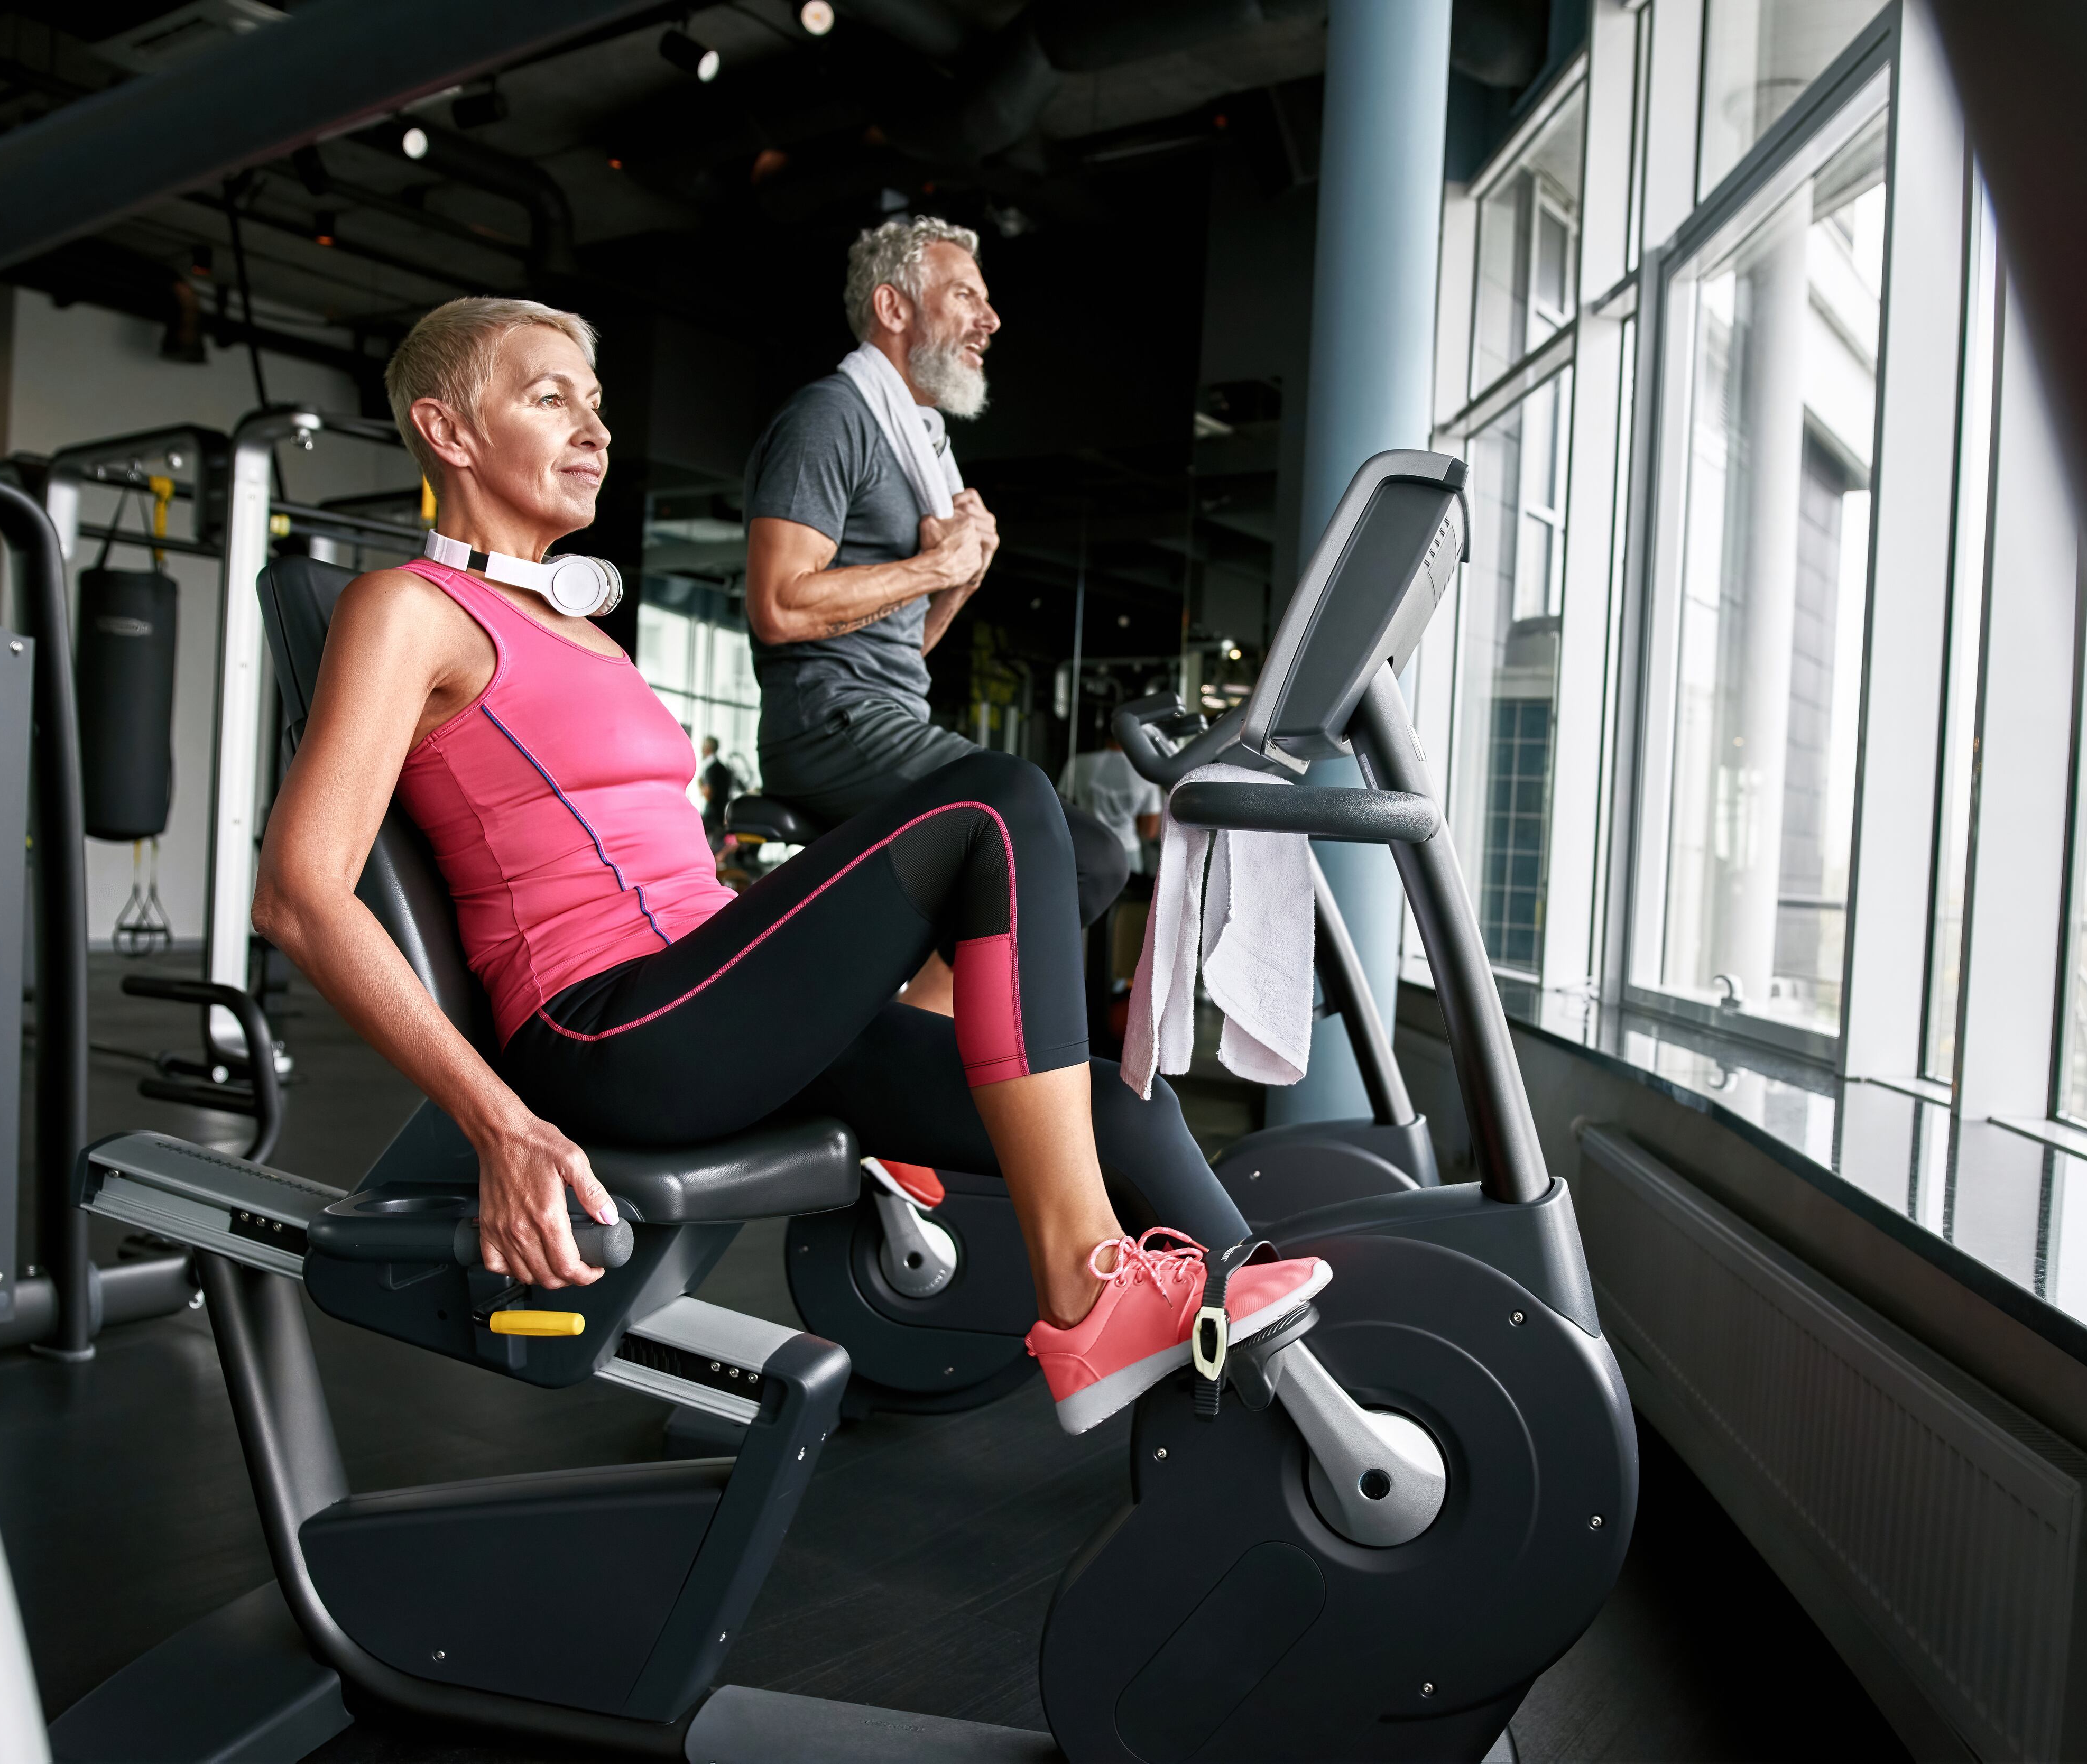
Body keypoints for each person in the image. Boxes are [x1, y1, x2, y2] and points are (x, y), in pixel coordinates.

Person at [247, 296, 1325, 1436]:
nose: (595, 430)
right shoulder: (408, 610)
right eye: (550, 397)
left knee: (1119, 1110)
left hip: (706, 993)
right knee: (998, 806)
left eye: (598, 403)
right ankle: (1084, 1287)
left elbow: (651, 859)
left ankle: (1294, 1387)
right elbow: (300, 893)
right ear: (449, 431)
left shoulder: (587, 635)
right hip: (611, 1032)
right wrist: (499, 1126)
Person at [742, 216, 1127, 1014]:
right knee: (1075, 846)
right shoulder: (831, 419)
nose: (990, 320)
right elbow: (779, 605)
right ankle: (902, 1051)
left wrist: (956, 586)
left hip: (879, 712)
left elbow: (899, 649)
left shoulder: (921, 448)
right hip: (829, 724)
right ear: (894, 308)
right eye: (964, 296)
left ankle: (890, 1033)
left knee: (1059, 848)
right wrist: (931, 565)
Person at [1059, 733, 1165, 880]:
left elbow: (1062, 808)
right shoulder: (1144, 772)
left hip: (1087, 848)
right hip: (1127, 852)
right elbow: (1149, 830)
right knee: (1129, 901)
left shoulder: (1079, 763)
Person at [696, 734, 734, 844]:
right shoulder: (724, 768)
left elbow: (708, 795)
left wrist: (700, 784)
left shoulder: (711, 769)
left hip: (712, 816)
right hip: (722, 814)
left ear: (708, 749)